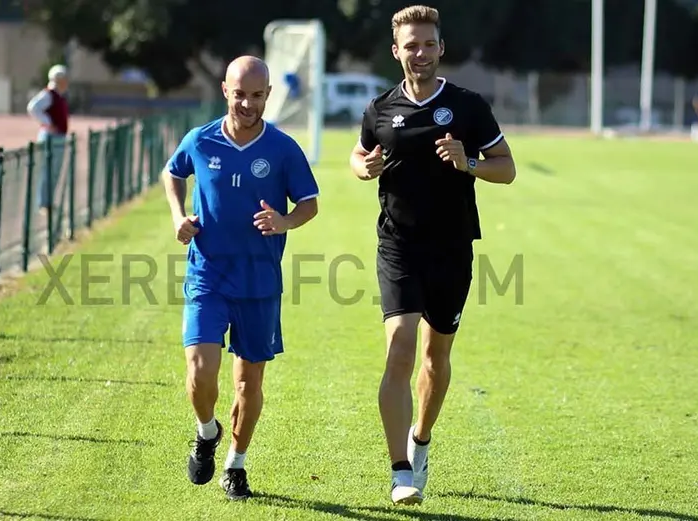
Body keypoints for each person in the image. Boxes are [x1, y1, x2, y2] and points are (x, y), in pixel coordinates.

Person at [348, 5, 516, 505]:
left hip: (452, 248)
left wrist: (470, 164)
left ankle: (420, 439)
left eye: (427, 44)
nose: (418, 53)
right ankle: (400, 470)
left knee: (434, 356)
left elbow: (506, 168)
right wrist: (365, 167)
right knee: (399, 346)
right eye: (410, 45)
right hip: (397, 244)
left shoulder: (467, 105)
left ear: (440, 49)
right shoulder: (379, 108)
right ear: (395, 50)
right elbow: (358, 154)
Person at [163, 55, 320, 501]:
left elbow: (309, 204)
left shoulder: (284, 149)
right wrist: (178, 216)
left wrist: (285, 222)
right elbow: (172, 173)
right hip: (208, 273)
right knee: (199, 369)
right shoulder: (201, 139)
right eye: (239, 94)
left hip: (259, 283)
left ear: (268, 94)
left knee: (249, 383)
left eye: (257, 95)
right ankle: (206, 430)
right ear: (225, 91)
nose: (247, 103)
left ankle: (236, 463)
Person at [26, 64, 71, 214]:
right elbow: (33, 108)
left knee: (54, 171)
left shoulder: (58, 96)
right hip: (51, 137)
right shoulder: (49, 94)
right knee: (48, 171)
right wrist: (48, 123)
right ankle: (44, 203)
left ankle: (48, 201)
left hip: (58, 137)